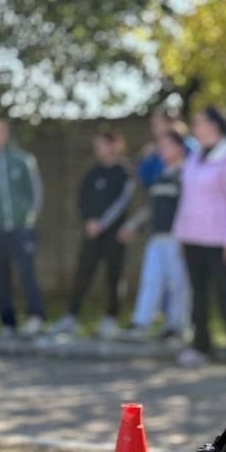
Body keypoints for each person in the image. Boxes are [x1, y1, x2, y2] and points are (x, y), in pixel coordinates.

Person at [173, 107, 226, 370]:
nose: (195, 127)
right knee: (198, 294)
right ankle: (200, 346)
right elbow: (186, 199)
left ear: (214, 126)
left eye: (200, 122)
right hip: (192, 238)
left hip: (219, 241)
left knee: (225, 294)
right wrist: (180, 234)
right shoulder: (194, 155)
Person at [51, 129, 136, 338]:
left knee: (114, 276)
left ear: (114, 144)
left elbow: (122, 203)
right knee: (83, 273)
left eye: (101, 144)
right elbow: (83, 199)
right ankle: (71, 316)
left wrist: (102, 224)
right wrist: (89, 221)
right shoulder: (93, 173)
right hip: (91, 233)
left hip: (114, 235)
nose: (97, 149)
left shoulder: (124, 173)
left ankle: (111, 318)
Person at [0, 118, 46, 336]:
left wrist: (29, 217)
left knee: (26, 272)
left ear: (6, 134)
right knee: (0, 275)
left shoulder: (23, 160)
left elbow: (36, 192)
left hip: (21, 227)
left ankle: (35, 317)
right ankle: (7, 322)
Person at [124, 127, 190, 342]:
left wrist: (184, 236)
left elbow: (189, 209)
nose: (160, 150)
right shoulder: (161, 176)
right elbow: (152, 208)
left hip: (177, 238)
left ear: (179, 148)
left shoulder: (188, 175)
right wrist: (133, 226)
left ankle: (177, 326)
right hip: (156, 237)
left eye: (165, 146)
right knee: (151, 279)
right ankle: (140, 322)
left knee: (177, 284)